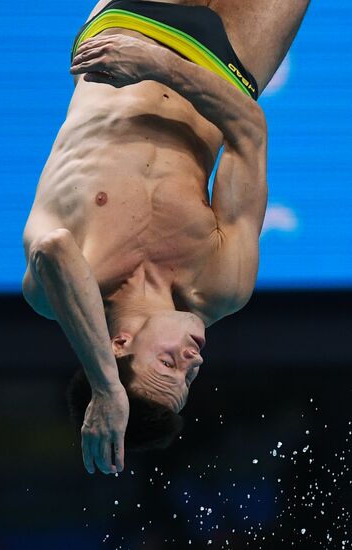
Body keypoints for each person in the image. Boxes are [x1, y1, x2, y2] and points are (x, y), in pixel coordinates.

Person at [21, 0, 310, 475]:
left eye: (168, 366)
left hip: (134, 24)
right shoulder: (221, 287)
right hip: (225, 68)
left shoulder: (57, 290)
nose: (193, 361)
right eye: (189, 377)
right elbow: (249, 132)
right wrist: (163, 67)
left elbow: (53, 249)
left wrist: (107, 388)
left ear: (119, 346)